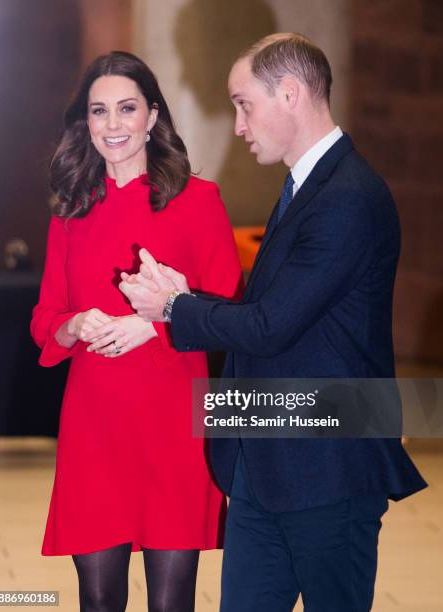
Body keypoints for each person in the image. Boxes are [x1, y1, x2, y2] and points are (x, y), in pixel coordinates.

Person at [119, 34, 428, 612]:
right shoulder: (306, 188)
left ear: (289, 93)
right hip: (266, 466)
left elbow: (270, 327)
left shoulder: (349, 197)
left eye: (244, 104)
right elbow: (278, 313)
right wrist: (186, 297)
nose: (238, 124)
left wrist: (173, 309)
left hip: (328, 469)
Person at [30, 51, 242, 612]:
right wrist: (74, 324)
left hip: (172, 420)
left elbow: (229, 309)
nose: (113, 124)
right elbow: (45, 317)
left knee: (171, 603)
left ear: (152, 116)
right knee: (98, 601)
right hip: (94, 425)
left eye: (127, 108)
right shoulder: (70, 211)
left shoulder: (199, 201)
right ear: (86, 124)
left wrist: (157, 326)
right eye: (99, 111)